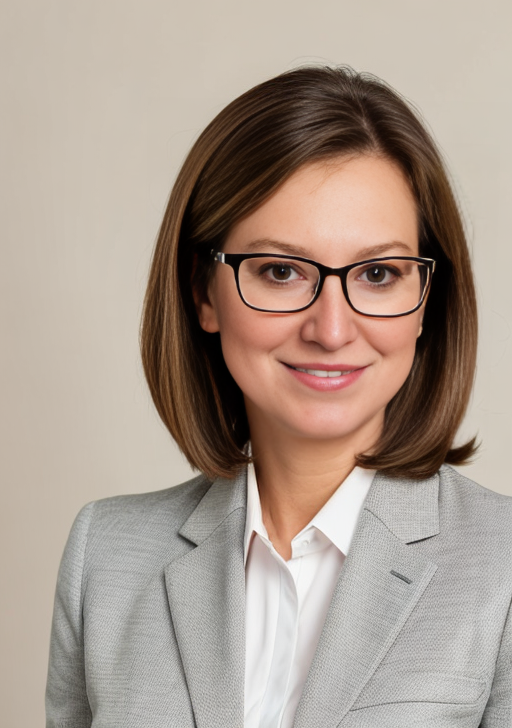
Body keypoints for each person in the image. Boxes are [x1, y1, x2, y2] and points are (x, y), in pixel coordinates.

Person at [46, 66, 512, 727]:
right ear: (204, 292)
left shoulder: (502, 565)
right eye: (281, 271)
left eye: (379, 274)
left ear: (425, 301)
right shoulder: (106, 557)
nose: (331, 329)